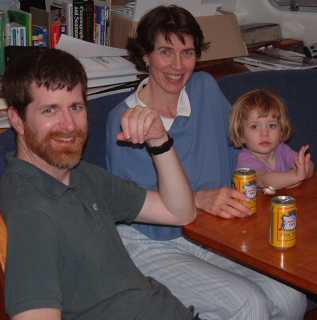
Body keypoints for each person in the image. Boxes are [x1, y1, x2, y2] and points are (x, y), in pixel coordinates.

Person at [105, 5, 307, 320]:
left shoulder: (204, 89)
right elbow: (138, 207)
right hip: (152, 245)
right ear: (145, 55)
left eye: (187, 53)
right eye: (165, 52)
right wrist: (201, 199)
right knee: (249, 306)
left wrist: (280, 172)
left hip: (213, 235)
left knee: (291, 296)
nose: (177, 65)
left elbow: (240, 152)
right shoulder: (125, 120)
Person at [0, 48, 201, 320]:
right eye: (50, 110)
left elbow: (180, 212)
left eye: (76, 107)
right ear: (16, 120)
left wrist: (159, 140)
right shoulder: (31, 211)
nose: (69, 125)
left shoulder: (81, 175)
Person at [229, 88, 314, 190]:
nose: (265, 133)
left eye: (272, 126)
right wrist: (294, 176)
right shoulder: (246, 160)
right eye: (254, 126)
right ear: (241, 134)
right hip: (254, 205)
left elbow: (310, 166)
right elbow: (265, 180)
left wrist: (304, 169)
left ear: (281, 131)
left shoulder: (282, 149)